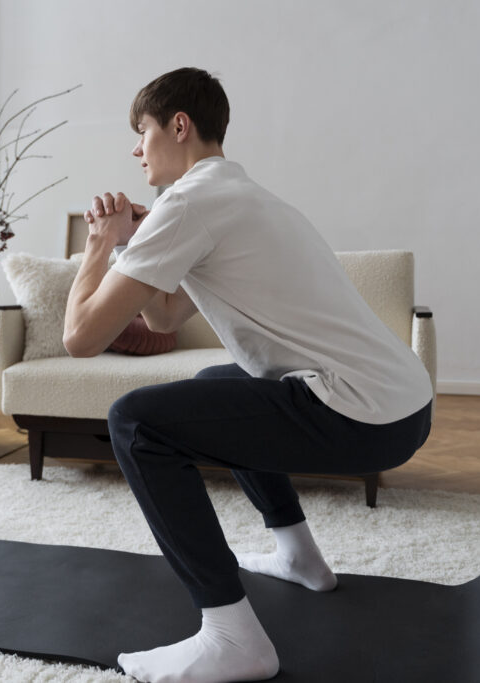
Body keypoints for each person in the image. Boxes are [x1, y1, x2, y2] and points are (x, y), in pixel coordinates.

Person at [63, 67, 433, 683]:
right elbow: (163, 315)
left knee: (134, 423)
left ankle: (232, 637)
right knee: (218, 382)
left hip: (362, 416)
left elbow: (80, 338)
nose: (135, 150)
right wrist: (133, 242)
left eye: (142, 131)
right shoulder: (239, 194)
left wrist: (98, 244)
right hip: (403, 407)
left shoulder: (189, 202)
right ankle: (300, 556)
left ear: (179, 126)